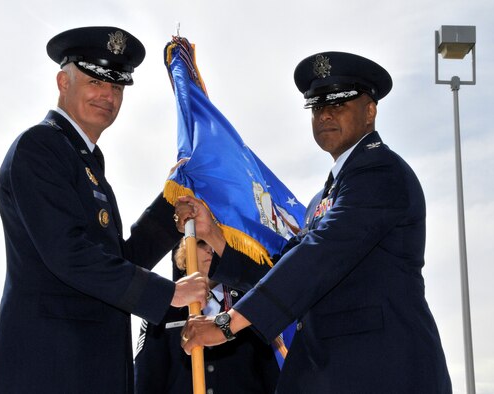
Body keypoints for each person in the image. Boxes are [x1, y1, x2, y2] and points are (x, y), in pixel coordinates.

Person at [176, 52, 452, 393]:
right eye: (317, 106)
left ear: (370, 111)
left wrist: (228, 323)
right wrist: (214, 235)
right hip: (335, 375)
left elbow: (320, 255)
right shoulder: (324, 199)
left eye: (339, 103)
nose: (326, 114)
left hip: (381, 372)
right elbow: (284, 270)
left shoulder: (381, 173)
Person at [0, 26, 208, 393]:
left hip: (89, 367)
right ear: (63, 81)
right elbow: (68, 254)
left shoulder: (85, 159)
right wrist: (167, 294)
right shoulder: (39, 147)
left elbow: (113, 257)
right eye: (95, 82)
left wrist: (171, 209)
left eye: (117, 87)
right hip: (50, 368)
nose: (108, 95)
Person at [133, 238, 279, 393]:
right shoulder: (164, 308)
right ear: (184, 251)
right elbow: (147, 378)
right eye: (201, 242)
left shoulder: (250, 304)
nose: (210, 249)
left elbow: (272, 374)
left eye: (215, 240)